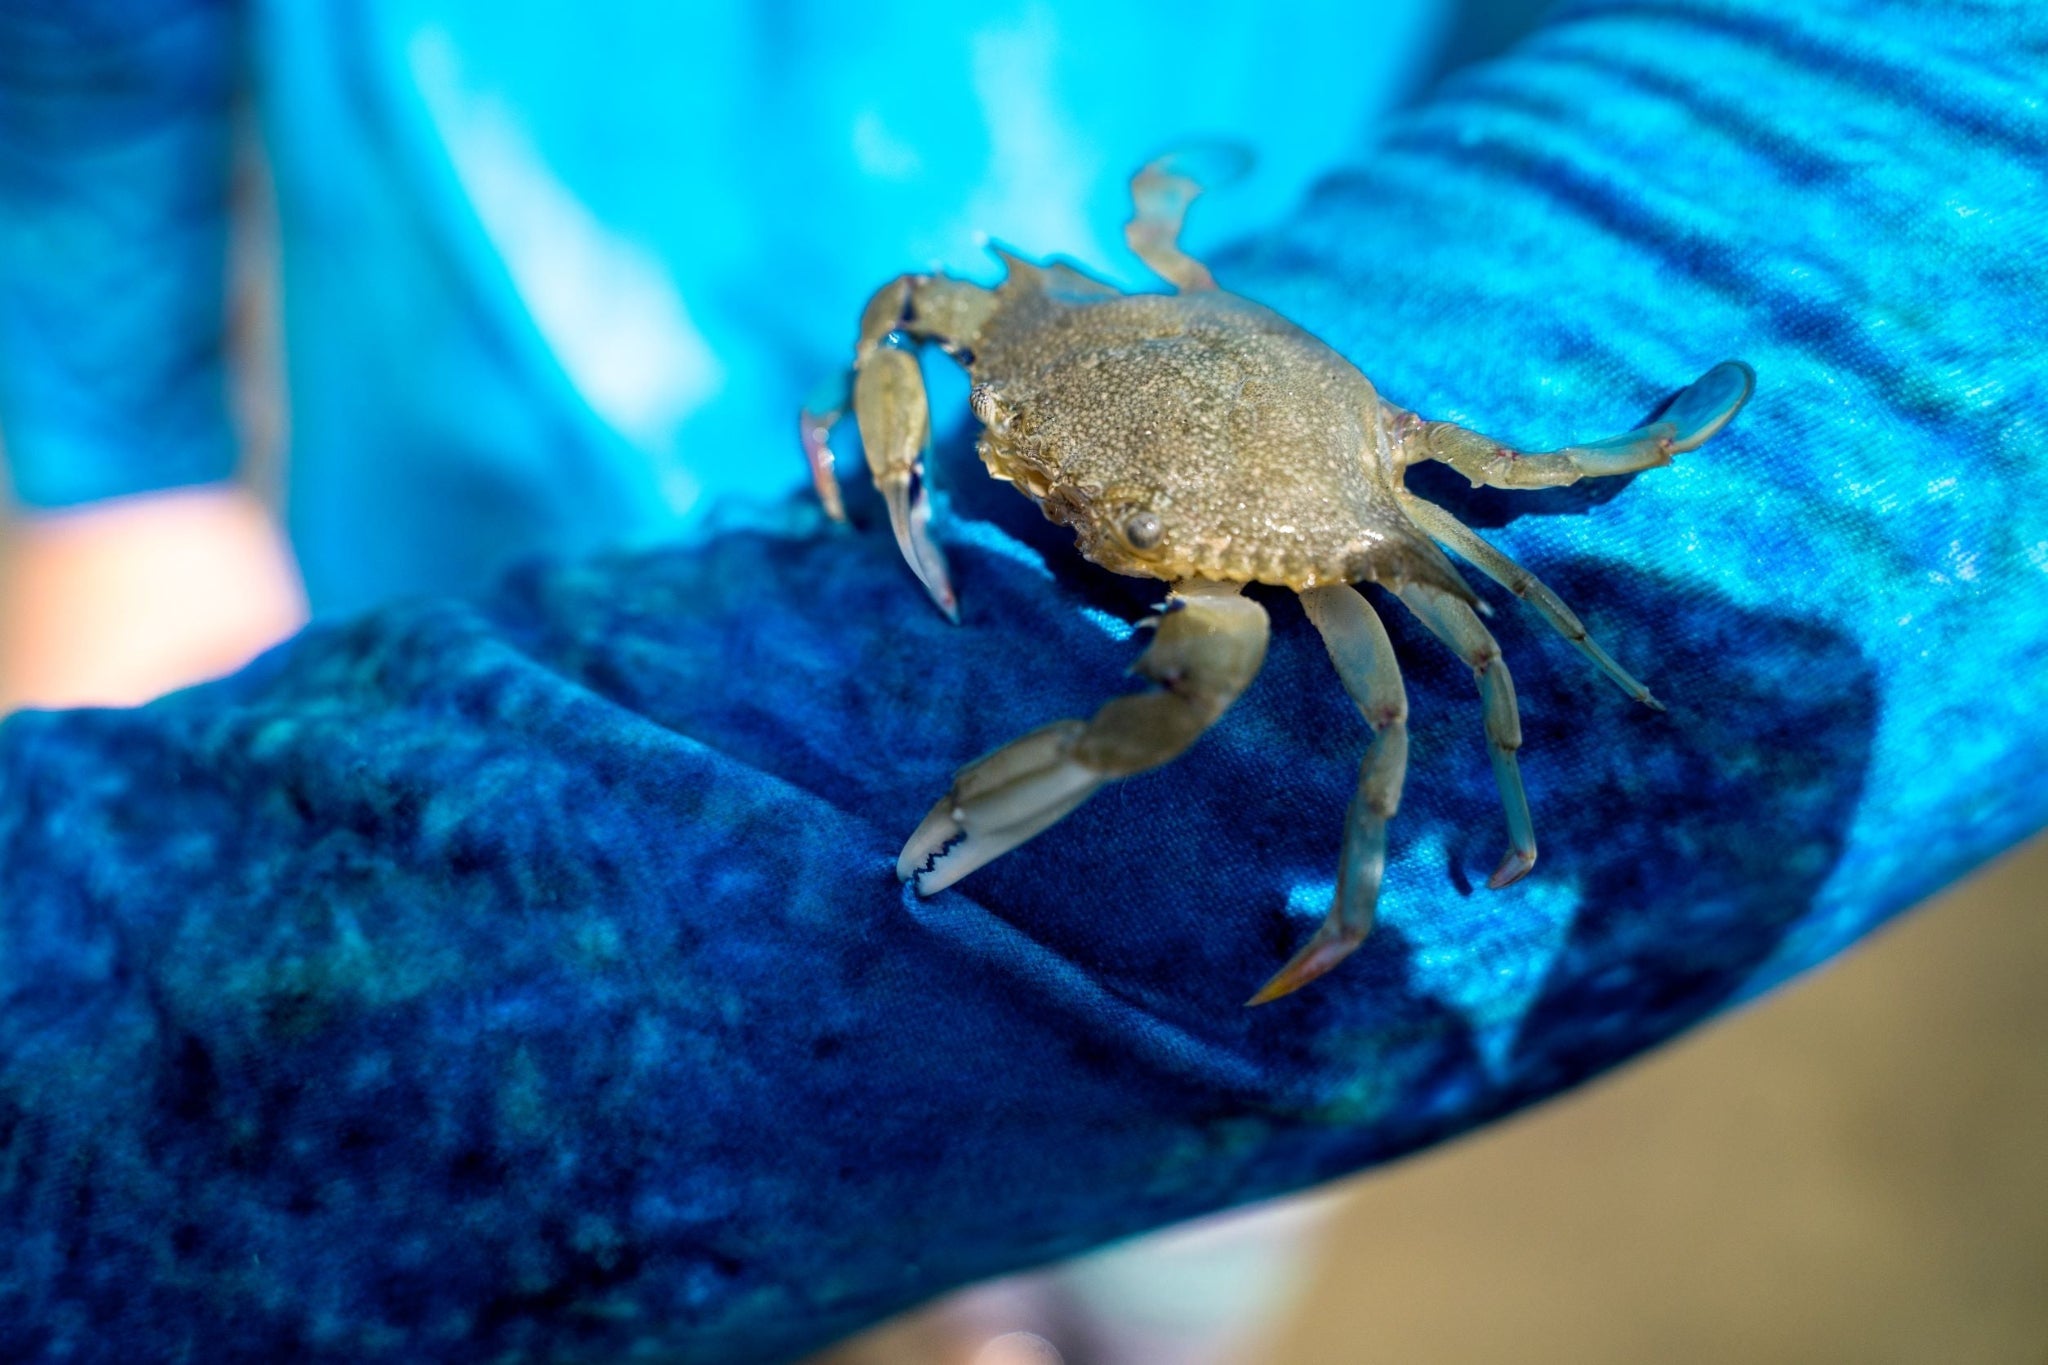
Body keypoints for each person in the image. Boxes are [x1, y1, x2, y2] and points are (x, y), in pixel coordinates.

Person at [1, 1, 2045, 1361]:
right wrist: (119, 468)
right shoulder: (1053, 298)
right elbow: (935, 300)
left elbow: (1486, 663)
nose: (1054, 512)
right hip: (421, 512)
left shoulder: (1365, 528)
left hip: (1257, 586)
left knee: (1321, 861)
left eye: (1093, 516)